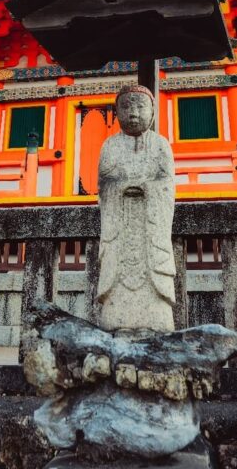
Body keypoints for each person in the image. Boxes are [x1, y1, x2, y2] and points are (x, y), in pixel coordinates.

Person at [97, 83, 176, 332]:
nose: (133, 112)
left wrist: (147, 188)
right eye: (126, 106)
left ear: (152, 111)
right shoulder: (110, 146)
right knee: (118, 271)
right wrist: (119, 188)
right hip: (119, 226)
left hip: (150, 228)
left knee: (152, 273)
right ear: (116, 112)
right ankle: (117, 323)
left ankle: (154, 322)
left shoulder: (160, 144)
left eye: (140, 106)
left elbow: (166, 184)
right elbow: (104, 183)